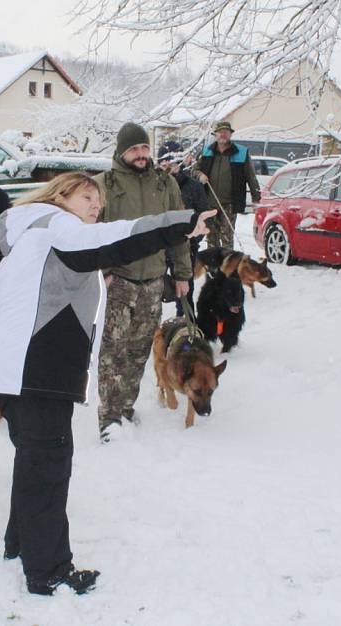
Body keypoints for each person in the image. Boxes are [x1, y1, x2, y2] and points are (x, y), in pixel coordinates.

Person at [0, 172, 215, 596]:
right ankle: (47, 570)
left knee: (35, 463)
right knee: (49, 469)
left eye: (99, 201)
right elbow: (117, 236)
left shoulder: (31, 231)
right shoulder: (55, 225)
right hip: (39, 369)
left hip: (22, 369)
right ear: (60, 194)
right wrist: (177, 224)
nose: (95, 206)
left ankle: (21, 545)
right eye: (87, 196)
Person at [93, 123, 193, 441]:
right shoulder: (104, 184)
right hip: (117, 281)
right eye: (134, 149)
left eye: (144, 148)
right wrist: (103, 270)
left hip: (152, 281)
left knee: (138, 350)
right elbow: (91, 231)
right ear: (122, 151)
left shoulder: (164, 184)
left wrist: (182, 273)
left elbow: (179, 230)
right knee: (113, 351)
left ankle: (125, 407)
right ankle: (109, 418)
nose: (140, 154)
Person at [192, 121, 262, 249]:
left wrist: (256, 197)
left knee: (227, 240)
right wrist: (200, 175)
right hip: (209, 203)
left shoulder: (241, 152)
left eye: (226, 132)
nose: (223, 134)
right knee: (211, 239)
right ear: (215, 135)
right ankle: (214, 268)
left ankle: (227, 267)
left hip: (230, 203)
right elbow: (194, 170)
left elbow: (251, 177)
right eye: (220, 132)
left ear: (230, 134)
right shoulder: (207, 151)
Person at [157, 141, 208, 317]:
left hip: (185, 249)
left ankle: (187, 334)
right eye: (164, 164)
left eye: (172, 164)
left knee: (185, 295)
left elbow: (202, 216)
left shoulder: (194, 187)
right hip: (158, 249)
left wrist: (192, 239)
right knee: (154, 293)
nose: (169, 168)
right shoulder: (155, 187)